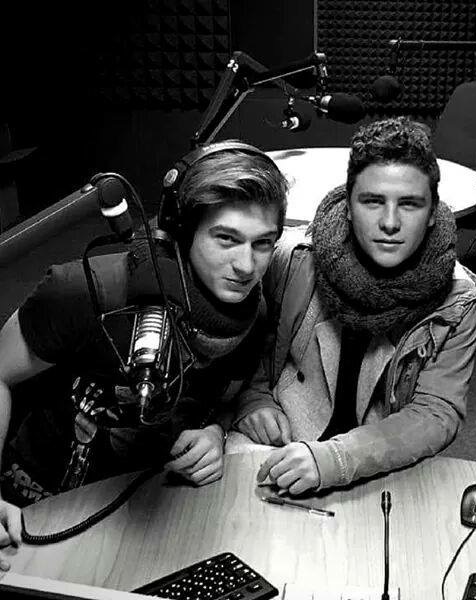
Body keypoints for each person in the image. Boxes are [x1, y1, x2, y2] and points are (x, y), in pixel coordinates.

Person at [0, 141, 288, 554]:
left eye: (263, 243)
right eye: (226, 239)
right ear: (183, 230)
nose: (246, 266)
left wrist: (215, 433)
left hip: (145, 506)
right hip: (32, 502)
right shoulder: (86, 290)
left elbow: (223, 400)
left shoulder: (252, 315)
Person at [236, 117, 476, 494]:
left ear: (433, 212)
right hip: (280, 445)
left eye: (410, 204)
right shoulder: (293, 258)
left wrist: (337, 459)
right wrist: (254, 400)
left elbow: (435, 413)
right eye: (373, 201)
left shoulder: (457, 300)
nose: (390, 222)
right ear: (348, 205)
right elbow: (245, 349)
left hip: (381, 464)